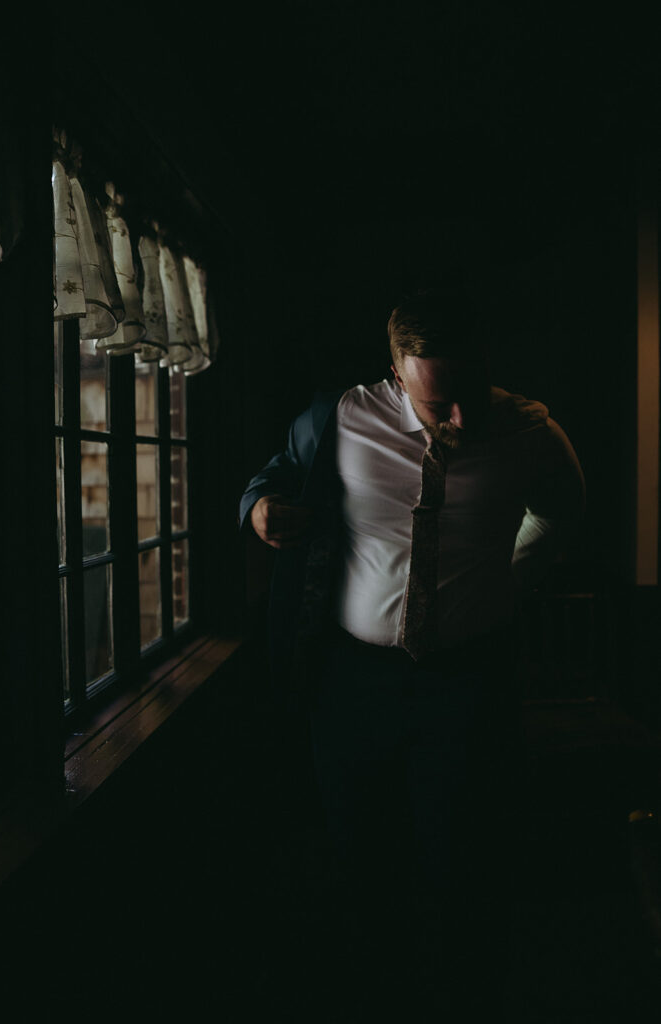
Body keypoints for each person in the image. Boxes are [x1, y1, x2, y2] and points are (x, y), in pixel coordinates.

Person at [240, 291, 585, 1018]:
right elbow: (272, 479)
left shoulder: (531, 432)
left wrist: (503, 582)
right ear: (395, 375)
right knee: (361, 853)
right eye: (436, 402)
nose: (457, 418)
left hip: (470, 679)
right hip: (352, 681)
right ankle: (378, 995)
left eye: (467, 393)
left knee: (468, 856)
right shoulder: (337, 417)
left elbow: (560, 512)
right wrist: (259, 510)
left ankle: (471, 999)